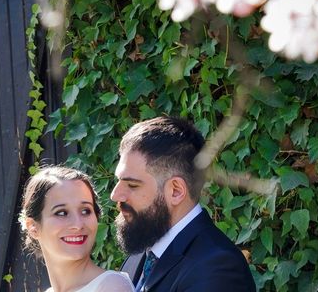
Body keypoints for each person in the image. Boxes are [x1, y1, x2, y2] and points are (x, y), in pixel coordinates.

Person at [111, 116, 256, 292]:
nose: (115, 195)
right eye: (118, 181)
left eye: (132, 185)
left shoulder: (217, 268)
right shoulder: (138, 257)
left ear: (176, 191)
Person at [20, 166, 134, 292]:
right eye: (62, 213)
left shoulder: (111, 287)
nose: (78, 224)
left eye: (85, 211)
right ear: (32, 227)